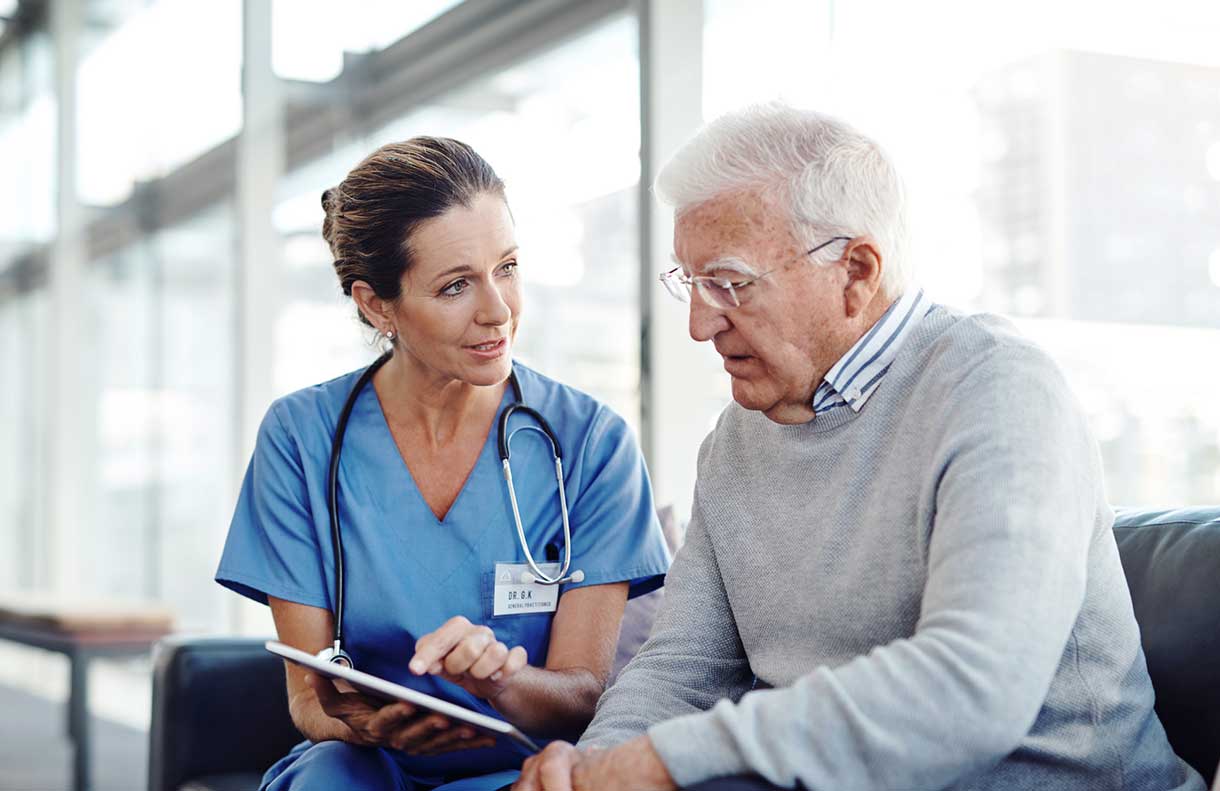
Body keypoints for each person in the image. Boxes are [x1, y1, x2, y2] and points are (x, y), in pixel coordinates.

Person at [513, 103, 1206, 791]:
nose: (699, 323)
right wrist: (592, 765)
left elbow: (974, 685)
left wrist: (669, 761)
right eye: (690, 283)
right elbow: (678, 668)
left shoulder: (998, 388)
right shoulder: (735, 441)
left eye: (728, 282)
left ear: (856, 271)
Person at [215, 136, 671, 791]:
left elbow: (582, 696)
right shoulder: (302, 437)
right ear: (377, 304)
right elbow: (309, 698)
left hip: (518, 770)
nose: (498, 310)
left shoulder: (591, 444)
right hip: (365, 764)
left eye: (507, 267)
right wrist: (362, 723)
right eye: (456, 285)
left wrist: (502, 680)